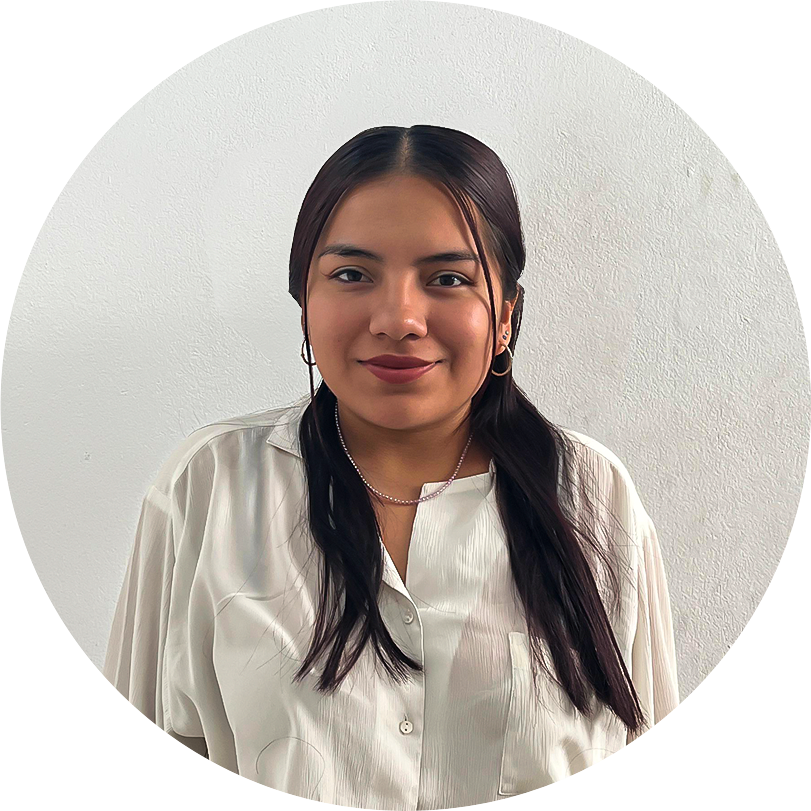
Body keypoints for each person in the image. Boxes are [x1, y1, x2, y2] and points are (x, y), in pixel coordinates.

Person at [103, 125, 679, 805]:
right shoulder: (209, 486)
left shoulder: (591, 493)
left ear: (505, 316)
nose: (398, 318)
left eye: (447, 278)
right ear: (305, 305)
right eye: (352, 274)